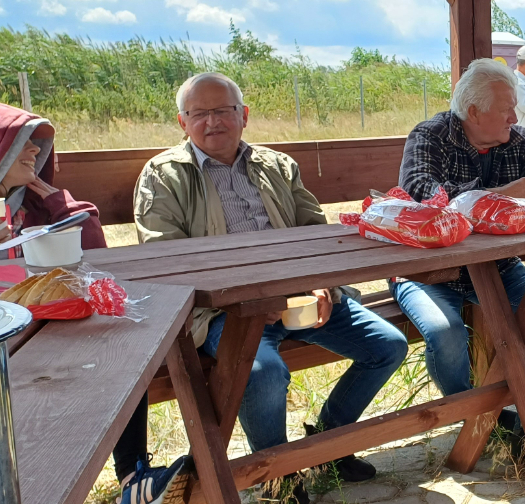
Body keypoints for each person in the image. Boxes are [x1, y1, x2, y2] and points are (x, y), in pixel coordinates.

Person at [134, 72, 410, 504]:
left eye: (223, 111)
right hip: (223, 312)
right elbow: (168, 262)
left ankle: (329, 445)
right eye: (199, 113)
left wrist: (321, 285)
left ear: (242, 116)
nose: (213, 122)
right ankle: (280, 477)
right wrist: (251, 300)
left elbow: (315, 233)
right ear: (182, 122)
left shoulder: (277, 165)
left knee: (388, 345)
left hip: (299, 299)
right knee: (262, 374)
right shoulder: (164, 176)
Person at [0, 102, 182, 504]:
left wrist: (57, 202)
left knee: (121, 343)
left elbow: (93, 252)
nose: (36, 151)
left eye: (38, 143)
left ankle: (134, 479)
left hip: (44, 330)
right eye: (22, 142)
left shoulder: (29, 203)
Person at [393, 58, 525, 437]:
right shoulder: (430, 136)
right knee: (446, 333)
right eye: (506, 108)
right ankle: (478, 421)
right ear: (473, 112)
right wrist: (498, 196)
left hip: (498, 269)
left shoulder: (519, 141)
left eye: (514, 106)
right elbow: (420, 196)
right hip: (426, 272)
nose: (515, 116)